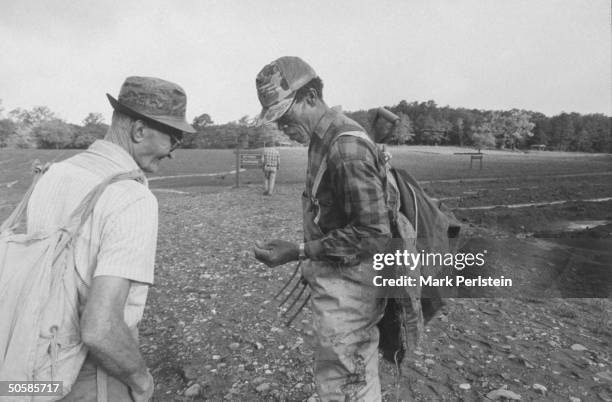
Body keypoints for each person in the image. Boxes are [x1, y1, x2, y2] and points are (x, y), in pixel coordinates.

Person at [26, 76, 195, 401]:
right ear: (139, 131)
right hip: (83, 376)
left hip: (24, 371)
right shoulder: (132, 197)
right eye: (173, 138)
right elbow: (100, 328)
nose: (172, 153)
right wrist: (142, 381)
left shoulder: (52, 173)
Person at [253, 56, 403, 401]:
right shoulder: (323, 136)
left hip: (354, 284)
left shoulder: (345, 146)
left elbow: (373, 235)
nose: (282, 126)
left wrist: (301, 251)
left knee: (348, 380)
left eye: (285, 115)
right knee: (344, 375)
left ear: (310, 97)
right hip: (338, 277)